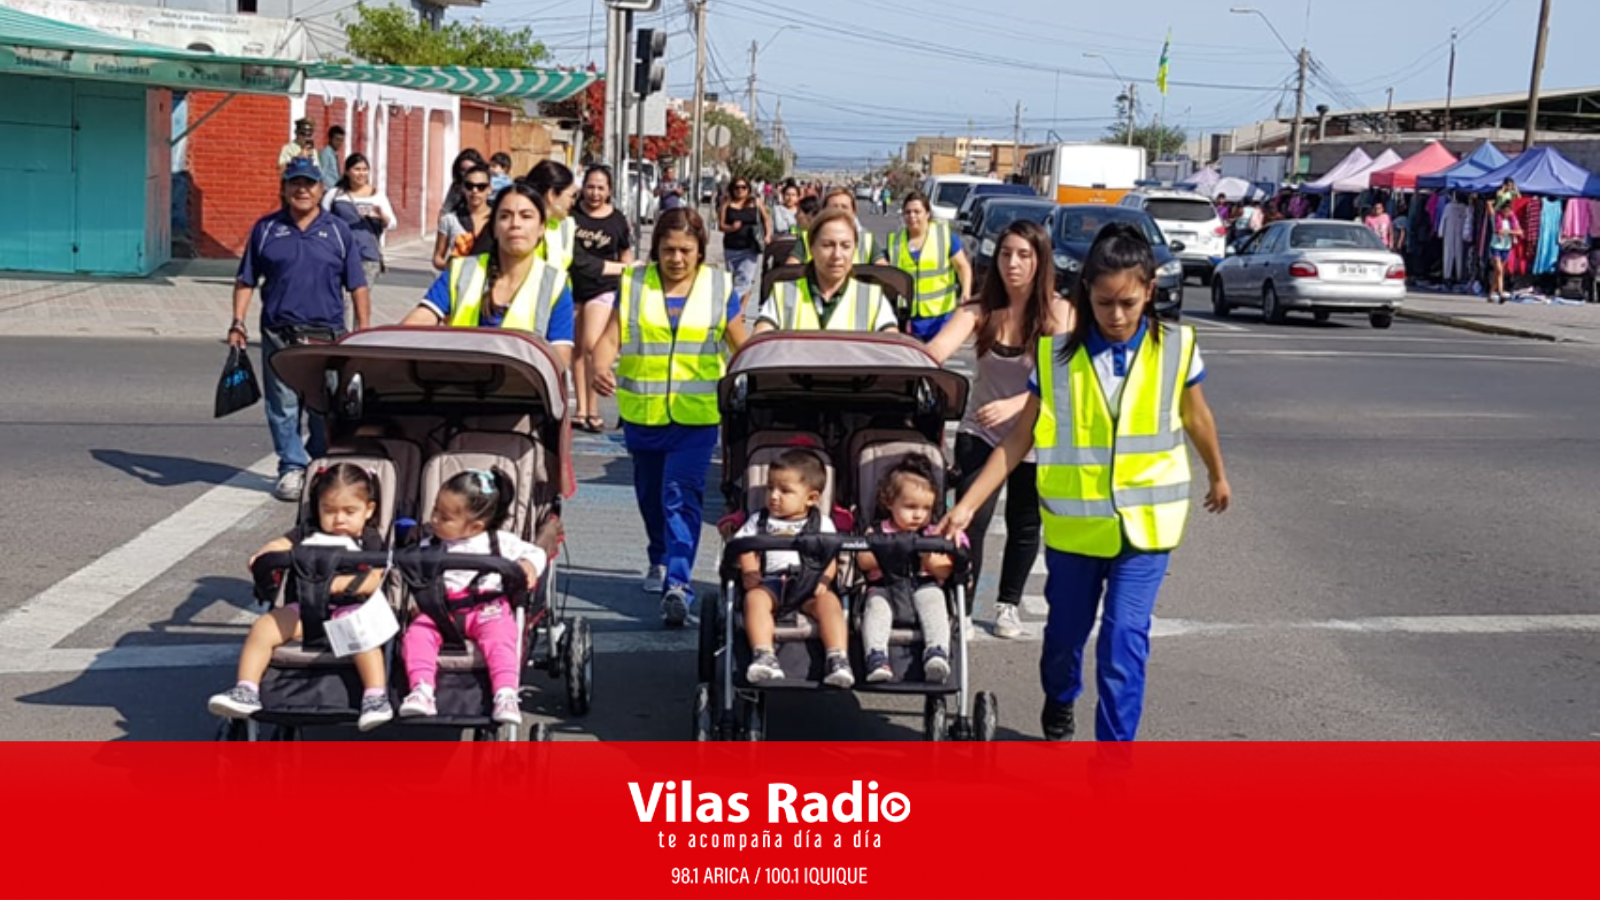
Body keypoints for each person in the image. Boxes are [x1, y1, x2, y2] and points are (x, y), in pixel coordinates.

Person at [941, 222, 1232, 742]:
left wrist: (1217, 473)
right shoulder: (1056, 360)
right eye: (1103, 304)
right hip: (1077, 531)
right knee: (1064, 640)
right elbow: (1017, 440)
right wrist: (967, 505)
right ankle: (1060, 699)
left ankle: (1112, 764)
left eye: (1128, 302)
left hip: (1146, 531)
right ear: (1086, 296)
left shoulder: (1177, 347)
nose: (1116, 316)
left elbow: (1198, 417)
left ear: (1149, 289)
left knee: (1124, 639)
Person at [591, 207, 748, 626]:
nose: (676, 258)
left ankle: (678, 584)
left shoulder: (719, 287)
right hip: (642, 414)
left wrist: (753, 380)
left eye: (685, 250)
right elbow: (609, 339)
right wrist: (600, 366)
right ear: (655, 248)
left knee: (682, 496)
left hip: (695, 418)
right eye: (667, 250)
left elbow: (741, 345)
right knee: (650, 496)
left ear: (700, 250)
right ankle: (658, 555)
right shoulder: (634, 283)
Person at [926, 220, 1071, 640]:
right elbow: (936, 352)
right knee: (973, 516)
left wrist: (1018, 402)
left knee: (1025, 520)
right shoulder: (978, 310)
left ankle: (1008, 604)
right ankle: (963, 608)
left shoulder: (1059, 313)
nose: (1013, 263)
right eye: (1006, 253)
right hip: (981, 431)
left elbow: (1062, 383)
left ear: (1041, 261)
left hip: (1034, 432)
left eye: (1024, 255)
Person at [207, 464, 392, 730]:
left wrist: (334, 585)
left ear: (369, 510)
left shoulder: (369, 541)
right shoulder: (308, 532)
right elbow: (280, 545)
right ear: (318, 508)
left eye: (350, 512)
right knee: (263, 627)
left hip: (348, 609)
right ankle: (246, 689)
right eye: (329, 511)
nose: (339, 519)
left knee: (364, 638)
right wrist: (265, 554)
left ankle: (375, 696)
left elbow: (374, 579)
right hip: (305, 608)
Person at [229, 157, 369, 502]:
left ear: (321, 189)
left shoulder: (338, 231)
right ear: (284, 188)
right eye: (295, 183)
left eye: (309, 184)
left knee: (325, 406)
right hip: (280, 332)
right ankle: (291, 467)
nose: (302, 190)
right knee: (283, 405)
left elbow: (357, 284)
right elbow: (246, 279)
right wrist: (237, 321)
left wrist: (363, 330)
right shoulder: (266, 230)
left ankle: (318, 458)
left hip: (328, 335)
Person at [398, 469, 555, 727]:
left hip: (487, 607)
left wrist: (527, 564)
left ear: (476, 526)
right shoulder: (430, 544)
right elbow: (410, 564)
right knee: (416, 635)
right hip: (441, 609)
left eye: (444, 517)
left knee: (501, 639)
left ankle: (505, 693)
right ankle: (422, 689)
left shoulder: (500, 542)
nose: (434, 519)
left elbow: (536, 552)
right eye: (435, 510)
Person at [405, 182, 577, 369]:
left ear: (541, 227)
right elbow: (418, 322)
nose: (515, 224)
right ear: (494, 228)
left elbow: (560, 355)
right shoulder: (462, 270)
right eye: (505, 216)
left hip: (521, 392)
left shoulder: (555, 284)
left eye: (526, 216)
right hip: (458, 384)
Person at [737, 449, 854, 688]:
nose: (774, 496)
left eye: (785, 491)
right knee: (754, 600)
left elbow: (830, 555)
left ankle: (837, 657)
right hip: (771, 581)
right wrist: (749, 570)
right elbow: (744, 547)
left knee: (830, 604)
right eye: (770, 488)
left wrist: (824, 579)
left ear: (811, 498)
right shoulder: (759, 520)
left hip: (809, 581)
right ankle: (764, 654)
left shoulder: (821, 523)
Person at [856, 456, 955, 684]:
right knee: (875, 609)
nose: (919, 515)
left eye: (926, 508)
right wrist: (891, 551)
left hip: (922, 584)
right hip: (884, 587)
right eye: (910, 507)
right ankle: (876, 656)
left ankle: (936, 652)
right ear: (889, 502)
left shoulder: (931, 534)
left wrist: (927, 556)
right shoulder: (877, 531)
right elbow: (863, 561)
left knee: (935, 602)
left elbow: (944, 572)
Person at [753, 209, 900, 334]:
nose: (837, 255)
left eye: (845, 246)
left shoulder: (873, 298)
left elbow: (894, 350)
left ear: (854, 250)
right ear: (811, 248)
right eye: (827, 245)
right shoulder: (783, 294)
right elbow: (759, 347)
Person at [571, 165, 634, 433]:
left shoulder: (617, 220)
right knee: (575, 348)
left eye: (601, 188)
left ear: (609, 191)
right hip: (573, 287)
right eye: (590, 186)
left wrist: (626, 278)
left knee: (590, 345)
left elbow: (625, 253)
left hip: (604, 287)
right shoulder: (571, 217)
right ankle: (581, 409)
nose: (595, 193)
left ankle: (594, 409)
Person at [884, 190, 973, 341]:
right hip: (908, 318)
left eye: (917, 212)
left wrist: (966, 293)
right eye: (908, 212)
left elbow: (962, 266)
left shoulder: (944, 237)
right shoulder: (895, 242)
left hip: (940, 317)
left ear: (927, 214)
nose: (912, 216)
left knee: (934, 360)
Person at [323, 152, 397, 288]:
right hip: (339, 255)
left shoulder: (377, 195)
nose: (361, 174)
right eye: (357, 169)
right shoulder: (335, 194)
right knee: (341, 301)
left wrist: (381, 217)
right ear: (347, 172)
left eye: (364, 170)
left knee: (361, 297)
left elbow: (392, 223)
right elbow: (320, 219)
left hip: (367, 255)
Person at [786, 189, 876, 265]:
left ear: (854, 212)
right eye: (834, 207)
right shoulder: (806, 238)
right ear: (823, 211)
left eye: (844, 207)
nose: (839, 211)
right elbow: (791, 270)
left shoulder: (867, 239)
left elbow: (883, 272)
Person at [432, 163, 493, 271]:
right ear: (463, 189)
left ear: (489, 189)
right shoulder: (450, 220)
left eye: (481, 187)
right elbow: (437, 258)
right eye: (469, 186)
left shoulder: (498, 219)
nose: (475, 191)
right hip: (459, 283)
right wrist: (451, 266)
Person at [719, 177, 772, 302]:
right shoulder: (726, 203)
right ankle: (739, 311)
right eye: (737, 187)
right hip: (731, 247)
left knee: (746, 279)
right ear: (732, 189)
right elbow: (721, 226)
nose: (740, 190)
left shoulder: (756, 202)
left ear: (748, 189)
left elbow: (766, 219)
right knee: (733, 279)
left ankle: (732, 303)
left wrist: (768, 235)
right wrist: (731, 228)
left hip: (750, 247)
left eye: (743, 187)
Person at [1489, 201, 1523, 304]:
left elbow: (1520, 232)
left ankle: (1491, 294)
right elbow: (1489, 209)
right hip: (1496, 246)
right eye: (1505, 211)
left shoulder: (1512, 220)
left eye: (1509, 211)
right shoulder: (1495, 218)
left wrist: (1508, 232)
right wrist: (1491, 203)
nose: (1507, 213)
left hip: (1506, 247)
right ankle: (1500, 293)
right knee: (1499, 270)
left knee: (1499, 272)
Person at [439, 149, 487, 220]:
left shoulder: (487, 185)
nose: (466, 173)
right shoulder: (456, 187)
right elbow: (445, 210)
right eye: (463, 170)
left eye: (471, 169)